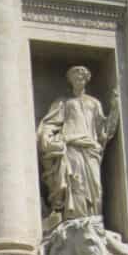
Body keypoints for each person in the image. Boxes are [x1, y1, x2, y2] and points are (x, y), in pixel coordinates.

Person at [37, 65, 119, 220]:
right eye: (75, 77)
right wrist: (47, 138)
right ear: (70, 81)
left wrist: (115, 109)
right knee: (75, 183)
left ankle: (93, 218)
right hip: (72, 146)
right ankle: (75, 219)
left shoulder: (94, 103)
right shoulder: (64, 103)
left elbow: (105, 131)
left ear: (87, 79)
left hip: (91, 148)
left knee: (95, 187)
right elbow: (50, 123)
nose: (78, 79)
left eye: (81, 76)